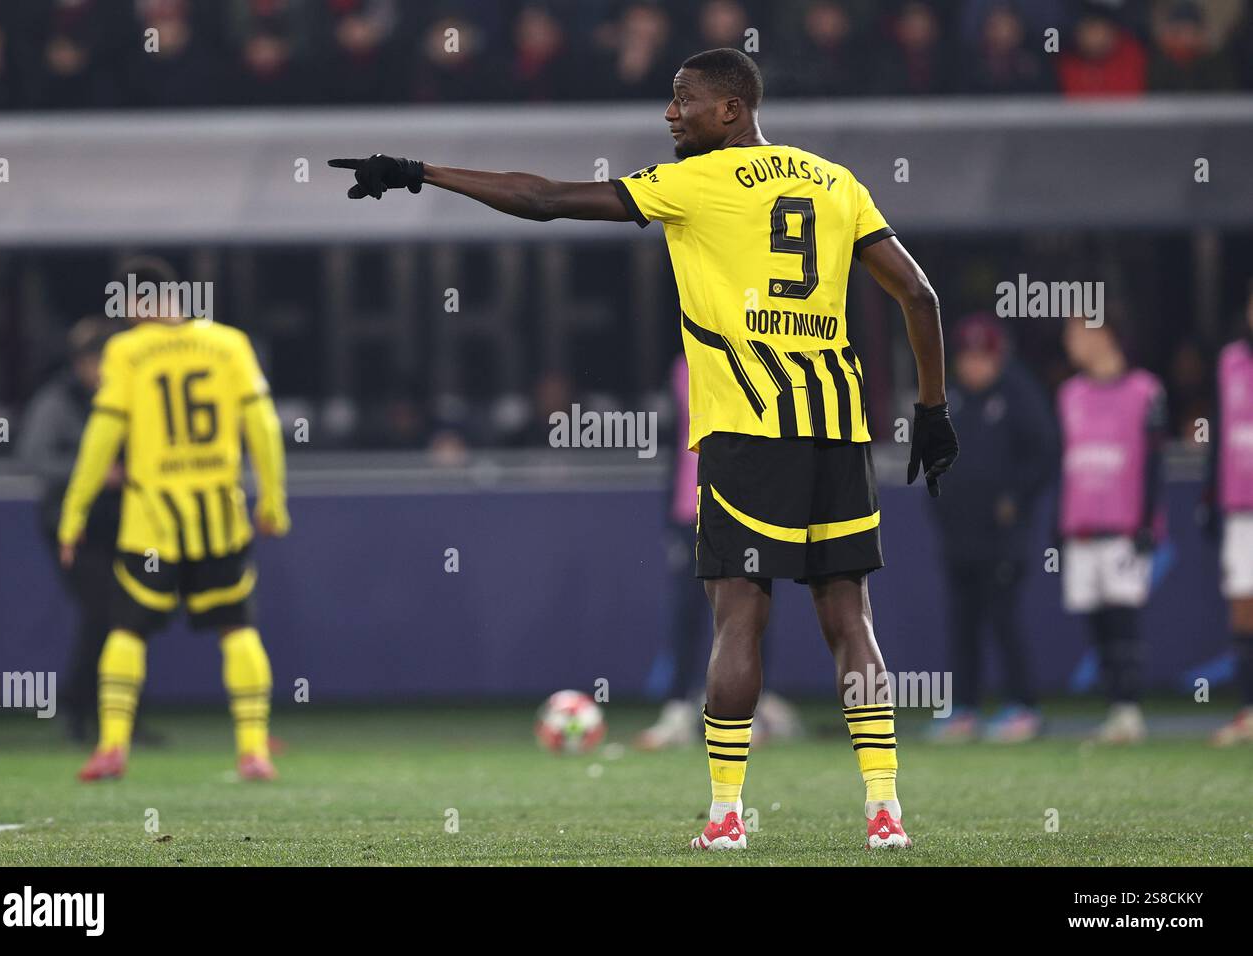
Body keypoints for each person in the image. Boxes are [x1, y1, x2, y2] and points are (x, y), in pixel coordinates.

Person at [329, 46, 957, 850]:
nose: (670, 114)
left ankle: (727, 818)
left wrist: (420, 172)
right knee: (849, 616)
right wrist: (933, 411)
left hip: (745, 430)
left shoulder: (695, 183)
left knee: (738, 618)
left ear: (730, 110)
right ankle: (885, 811)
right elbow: (918, 292)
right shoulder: (837, 181)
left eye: (683, 100)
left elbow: (545, 198)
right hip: (836, 431)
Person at [57, 257, 290, 781]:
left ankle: (112, 746)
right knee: (237, 628)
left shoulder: (127, 352)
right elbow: (265, 426)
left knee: (126, 630)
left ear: (134, 304)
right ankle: (254, 750)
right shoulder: (230, 344)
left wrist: (74, 511)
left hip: (151, 523)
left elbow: (103, 436)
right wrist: (273, 500)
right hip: (219, 517)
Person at [636, 354, 801, 751]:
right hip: (689, 509)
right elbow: (675, 444)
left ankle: (754, 709)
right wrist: (670, 513)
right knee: (686, 612)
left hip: (745, 505)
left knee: (749, 609)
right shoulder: (683, 365)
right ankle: (677, 709)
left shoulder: (758, 355)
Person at [928, 313, 1057, 743]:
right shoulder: (950, 399)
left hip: (1004, 538)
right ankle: (964, 708)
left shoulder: (1018, 393)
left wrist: (1015, 500)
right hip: (959, 535)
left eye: (983, 357)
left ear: (998, 357)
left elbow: (1043, 454)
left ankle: (1024, 707)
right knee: (962, 623)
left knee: (1004, 620)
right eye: (967, 356)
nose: (974, 366)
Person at [1057, 317, 1166, 744]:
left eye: (1079, 333)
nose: (1072, 343)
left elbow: (1155, 463)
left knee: (1124, 617)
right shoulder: (1070, 394)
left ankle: (1130, 709)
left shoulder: (1146, 390)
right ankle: (1114, 710)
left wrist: (1146, 521)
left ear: (1105, 334)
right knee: (1097, 620)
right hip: (1081, 527)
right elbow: (1064, 465)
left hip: (1125, 527)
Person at [17, 317, 123, 742]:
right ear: (80, 363)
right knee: (103, 612)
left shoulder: (124, 396)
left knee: (128, 619)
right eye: (95, 361)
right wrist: (95, 474)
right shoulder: (58, 400)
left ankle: (118, 717)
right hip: (73, 526)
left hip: (122, 523)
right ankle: (80, 713)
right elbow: (33, 458)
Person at [1205, 285, 1253, 746]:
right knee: (1243, 609)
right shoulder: (1231, 361)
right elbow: (1219, 433)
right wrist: (1209, 496)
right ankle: (1248, 710)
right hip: (1241, 507)